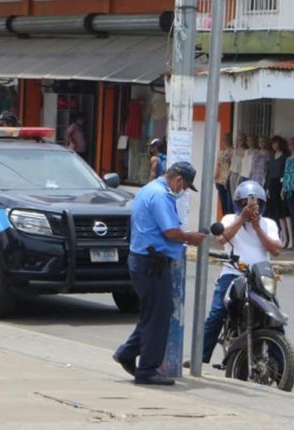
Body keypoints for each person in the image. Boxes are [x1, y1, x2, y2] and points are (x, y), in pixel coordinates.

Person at [113, 161, 206, 386]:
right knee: (159, 317)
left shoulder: (148, 188)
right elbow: (170, 231)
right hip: (151, 264)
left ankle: (127, 352)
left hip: (143, 261)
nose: (182, 191)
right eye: (184, 187)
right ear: (178, 180)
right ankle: (147, 370)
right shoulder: (162, 196)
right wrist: (190, 237)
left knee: (151, 314)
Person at [197, 181, 281, 365]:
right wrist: (242, 219)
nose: (250, 206)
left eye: (254, 203)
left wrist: (257, 227)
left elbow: (275, 250)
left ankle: (280, 366)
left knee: (276, 319)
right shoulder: (229, 219)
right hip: (233, 273)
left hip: (260, 275)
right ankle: (199, 358)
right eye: (246, 203)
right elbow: (221, 238)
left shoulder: (268, 224)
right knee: (217, 313)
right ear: (239, 204)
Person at [266, 136, 290, 247]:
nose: (274, 145)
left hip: (281, 184)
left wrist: (284, 185)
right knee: (273, 210)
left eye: (276, 143)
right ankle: (277, 232)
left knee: (282, 210)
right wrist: (267, 187)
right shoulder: (271, 157)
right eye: (273, 143)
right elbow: (269, 172)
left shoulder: (285, 157)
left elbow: (286, 172)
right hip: (272, 184)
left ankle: (285, 235)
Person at [214, 134, 234, 215]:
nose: (225, 141)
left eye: (227, 139)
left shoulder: (233, 151)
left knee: (229, 202)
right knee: (223, 202)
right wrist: (215, 177)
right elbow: (218, 164)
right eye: (224, 139)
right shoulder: (221, 152)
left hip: (228, 178)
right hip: (220, 179)